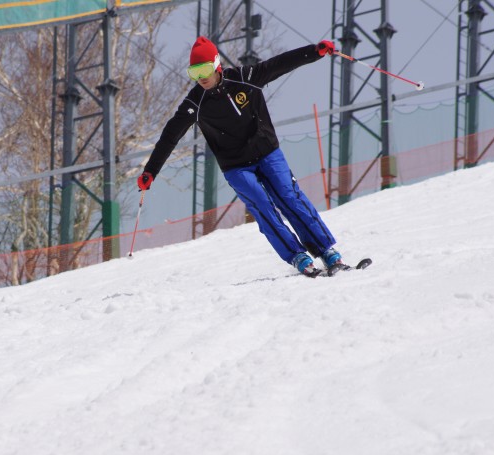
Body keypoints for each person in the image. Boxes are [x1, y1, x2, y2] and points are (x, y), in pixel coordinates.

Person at [137, 36, 344, 277]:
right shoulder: (196, 102)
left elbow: (282, 63)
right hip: (235, 166)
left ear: (216, 65)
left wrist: (315, 52)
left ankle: (326, 251)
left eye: (204, 69)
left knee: (290, 197)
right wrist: (150, 171)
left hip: (267, 152)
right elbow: (170, 136)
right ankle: (297, 256)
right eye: (194, 72)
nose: (201, 77)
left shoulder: (246, 77)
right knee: (262, 205)